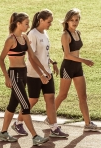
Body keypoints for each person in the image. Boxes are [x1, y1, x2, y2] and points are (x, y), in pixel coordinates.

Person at [11, 9, 69, 138]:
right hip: (33, 74)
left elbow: (43, 54)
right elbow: (32, 58)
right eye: (49, 22)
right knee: (33, 100)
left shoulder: (45, 33)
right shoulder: (32, 34)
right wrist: (41, 74)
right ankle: (18, 123)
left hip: (47, 72)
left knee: (50, 100)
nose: (50, 24)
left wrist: (52, 62)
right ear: (41, 20)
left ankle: (54, 127)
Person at [0, 12, 51, 146]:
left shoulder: (24, 38)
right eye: (26, 23)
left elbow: (32, 56)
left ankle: (3, 133)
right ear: (18, 24)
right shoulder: (10, 40)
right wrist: (7, 77)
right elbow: (1, 59)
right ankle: (35, 136)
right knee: (25, 105)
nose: (28, 26)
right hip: (15, 75)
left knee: (12, 105)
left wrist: (44, 71)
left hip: (24, 73)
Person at [55, 8, 101, 132]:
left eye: (76, 20)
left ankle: (87, 124)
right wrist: (84, 60)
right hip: (68, 67)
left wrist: (81, 62)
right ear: (67, 21)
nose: (74, 22)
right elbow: (67, 55)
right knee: (63, 95)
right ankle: (50, 117)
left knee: (83, 96)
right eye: (72, 20)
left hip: (77, 68)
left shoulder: (78, 33)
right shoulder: (65, 35)